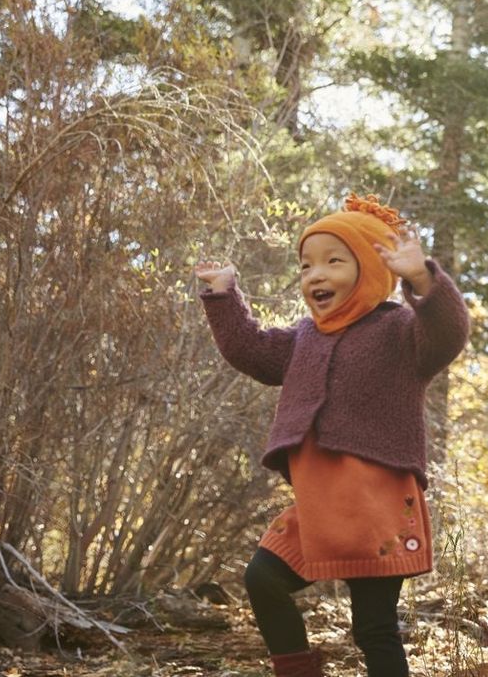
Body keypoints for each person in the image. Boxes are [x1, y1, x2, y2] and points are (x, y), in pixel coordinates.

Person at [195, 194, 469, 677]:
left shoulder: (400, 330)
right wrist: (223, 295)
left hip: (376, 507)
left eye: (333, 262)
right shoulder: (304, 337)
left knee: (373, 628)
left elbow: (447, 334)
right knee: (263, 577)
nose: (315, 275)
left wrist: (422, 279)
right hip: (318, 504)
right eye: (306, 266)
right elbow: (252, 350)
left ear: (368, 267)